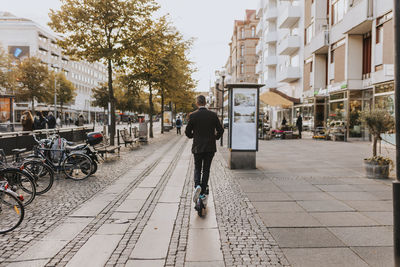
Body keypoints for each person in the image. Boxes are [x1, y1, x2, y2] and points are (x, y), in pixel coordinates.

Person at [185, 95, 224, 205]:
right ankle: (202, 191)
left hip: (197, 147)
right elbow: (220, 130)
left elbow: (187, 133)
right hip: (210, 147)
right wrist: (215, 137)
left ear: (197, 103)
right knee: (206, 169)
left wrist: (194, 136)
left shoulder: (193, 116)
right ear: (206, 102)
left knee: (197, 168)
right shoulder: (213, 115)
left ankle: (197, 185)